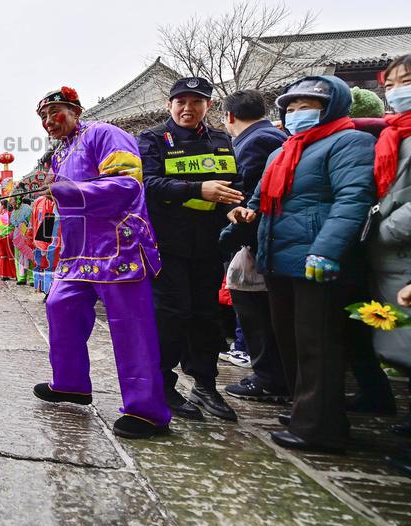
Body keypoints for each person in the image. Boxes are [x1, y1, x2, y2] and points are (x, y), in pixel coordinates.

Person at [227, 75, 376, 453]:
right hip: (278, 257)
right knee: (290, 341)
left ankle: (321, 429)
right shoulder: (284, 151)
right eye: (290, 108)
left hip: (317, 260)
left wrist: (326, 249)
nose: (296, 114)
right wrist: (243, 215)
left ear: (331, 107)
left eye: (306, 107)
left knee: (319, 344)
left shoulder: (350, 142)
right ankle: (303, 410)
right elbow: (260, 198)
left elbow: (352, 200)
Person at [33, 86, 170, 439]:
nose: (49, 121)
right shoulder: (59, 155)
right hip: (79, 251)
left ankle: (146, 410)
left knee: (130, 327)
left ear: (76, 110)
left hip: (118, 245)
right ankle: (71, 383)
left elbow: (127, 185)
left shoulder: (106, 134)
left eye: (55, 112)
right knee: (59, 306)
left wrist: (66, 191)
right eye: (44, 117)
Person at [138, 77, 242, 422]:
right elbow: (146, 183)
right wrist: (198, 189)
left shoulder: (220, 140)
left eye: (196, 102)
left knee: (205, 314)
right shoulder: (152, 140)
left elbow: (233, 183)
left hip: (209, 243)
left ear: (208, 106)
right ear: (169, 105)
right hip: (167, 242)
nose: (187, 108)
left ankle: (205, 384)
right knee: (171, 312)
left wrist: (234, 207)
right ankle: (162, 384)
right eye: (180, 101)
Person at [218, 89, 289, 403]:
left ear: (229, 117)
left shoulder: (255, 142)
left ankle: (269, 377)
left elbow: (245, 191)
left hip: (257, 236)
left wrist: (224, 236)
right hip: (264, 237)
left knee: (256, 309)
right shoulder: (273, 137)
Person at [366, 55, 411, 460]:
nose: (397, 90)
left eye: (407, 80)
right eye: (391, 83)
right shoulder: (392, 135)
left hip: (400, 250)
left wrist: (378, 230)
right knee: (402, 344)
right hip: (392, 259)